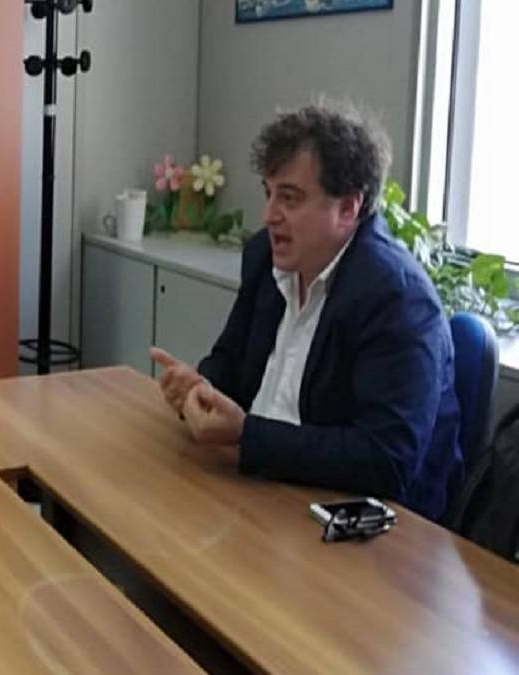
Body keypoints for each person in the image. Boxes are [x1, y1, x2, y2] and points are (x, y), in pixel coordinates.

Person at [151, 102, 461, 521]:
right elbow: (229, 359)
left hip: (358, 523)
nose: (269, 216)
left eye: (290, 198)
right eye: (268, 193)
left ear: (348, 208)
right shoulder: (265, 257)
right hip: (257, 489)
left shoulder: (398, 299)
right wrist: (199, 388)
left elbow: (387, 460)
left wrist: (247, 435)